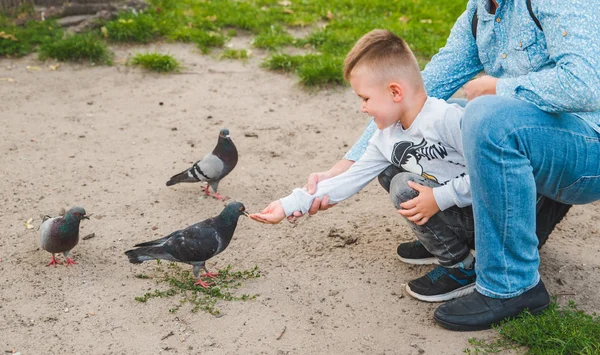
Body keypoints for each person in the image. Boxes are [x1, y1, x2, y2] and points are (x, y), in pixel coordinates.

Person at [293, 0, 600, 331]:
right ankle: (463, 231)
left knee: (484, 117)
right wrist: (346, 163)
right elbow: (424, 86)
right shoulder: (479, 10)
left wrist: (498, 88)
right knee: (413, 125)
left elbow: (586, 83)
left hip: (586, 149)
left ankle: (512, 284)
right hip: (534, 136)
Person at [251, 29, 479, 303]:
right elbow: (352, 177)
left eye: (365, 98)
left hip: (486, 217)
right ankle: (442, 238)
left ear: (395, 91)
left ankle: (460, 267)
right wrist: (289, 204)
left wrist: (438, 198)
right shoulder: (386, 136)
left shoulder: (448, 119)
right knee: (388, 170)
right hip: (454, 209)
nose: (362, 108)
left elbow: (489, 174)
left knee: (403, 188)